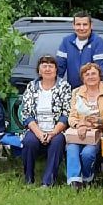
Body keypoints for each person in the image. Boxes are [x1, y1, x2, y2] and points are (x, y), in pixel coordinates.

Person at [18, 56, 71, 186]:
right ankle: (28, 179)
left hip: (57, 129)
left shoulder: (64, 86)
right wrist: (39, 133)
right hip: (36, 128)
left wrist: (52, 133)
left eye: (51, 66)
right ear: (39, 70)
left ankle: (48, 182)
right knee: (29, 141)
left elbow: (66, 114)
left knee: (57, 142)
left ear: (56, 70)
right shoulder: (32, 86)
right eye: (44, 66)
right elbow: (26, 113)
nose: (47, 69)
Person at [64, 61, 103, 186]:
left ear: (100, 76)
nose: (90, 77)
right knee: (72, 148)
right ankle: (74, 181)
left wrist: (90, 126)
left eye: (94, 73)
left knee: (87, 153)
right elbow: (71, 117)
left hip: (97, 132)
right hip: (78, 131)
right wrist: (79, 125)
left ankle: (88, 177)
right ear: (83, 78)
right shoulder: (76, 92)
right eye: (87, 74)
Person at [56, 13, 103, 82]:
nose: (81, 28)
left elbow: (101, 71)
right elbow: (59, 70)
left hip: (92, 90)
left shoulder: (98, 42)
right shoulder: (66, 42)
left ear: (91, 25)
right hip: (72, 90)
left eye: (85, 24)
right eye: (78, 24)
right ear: (73, 26)